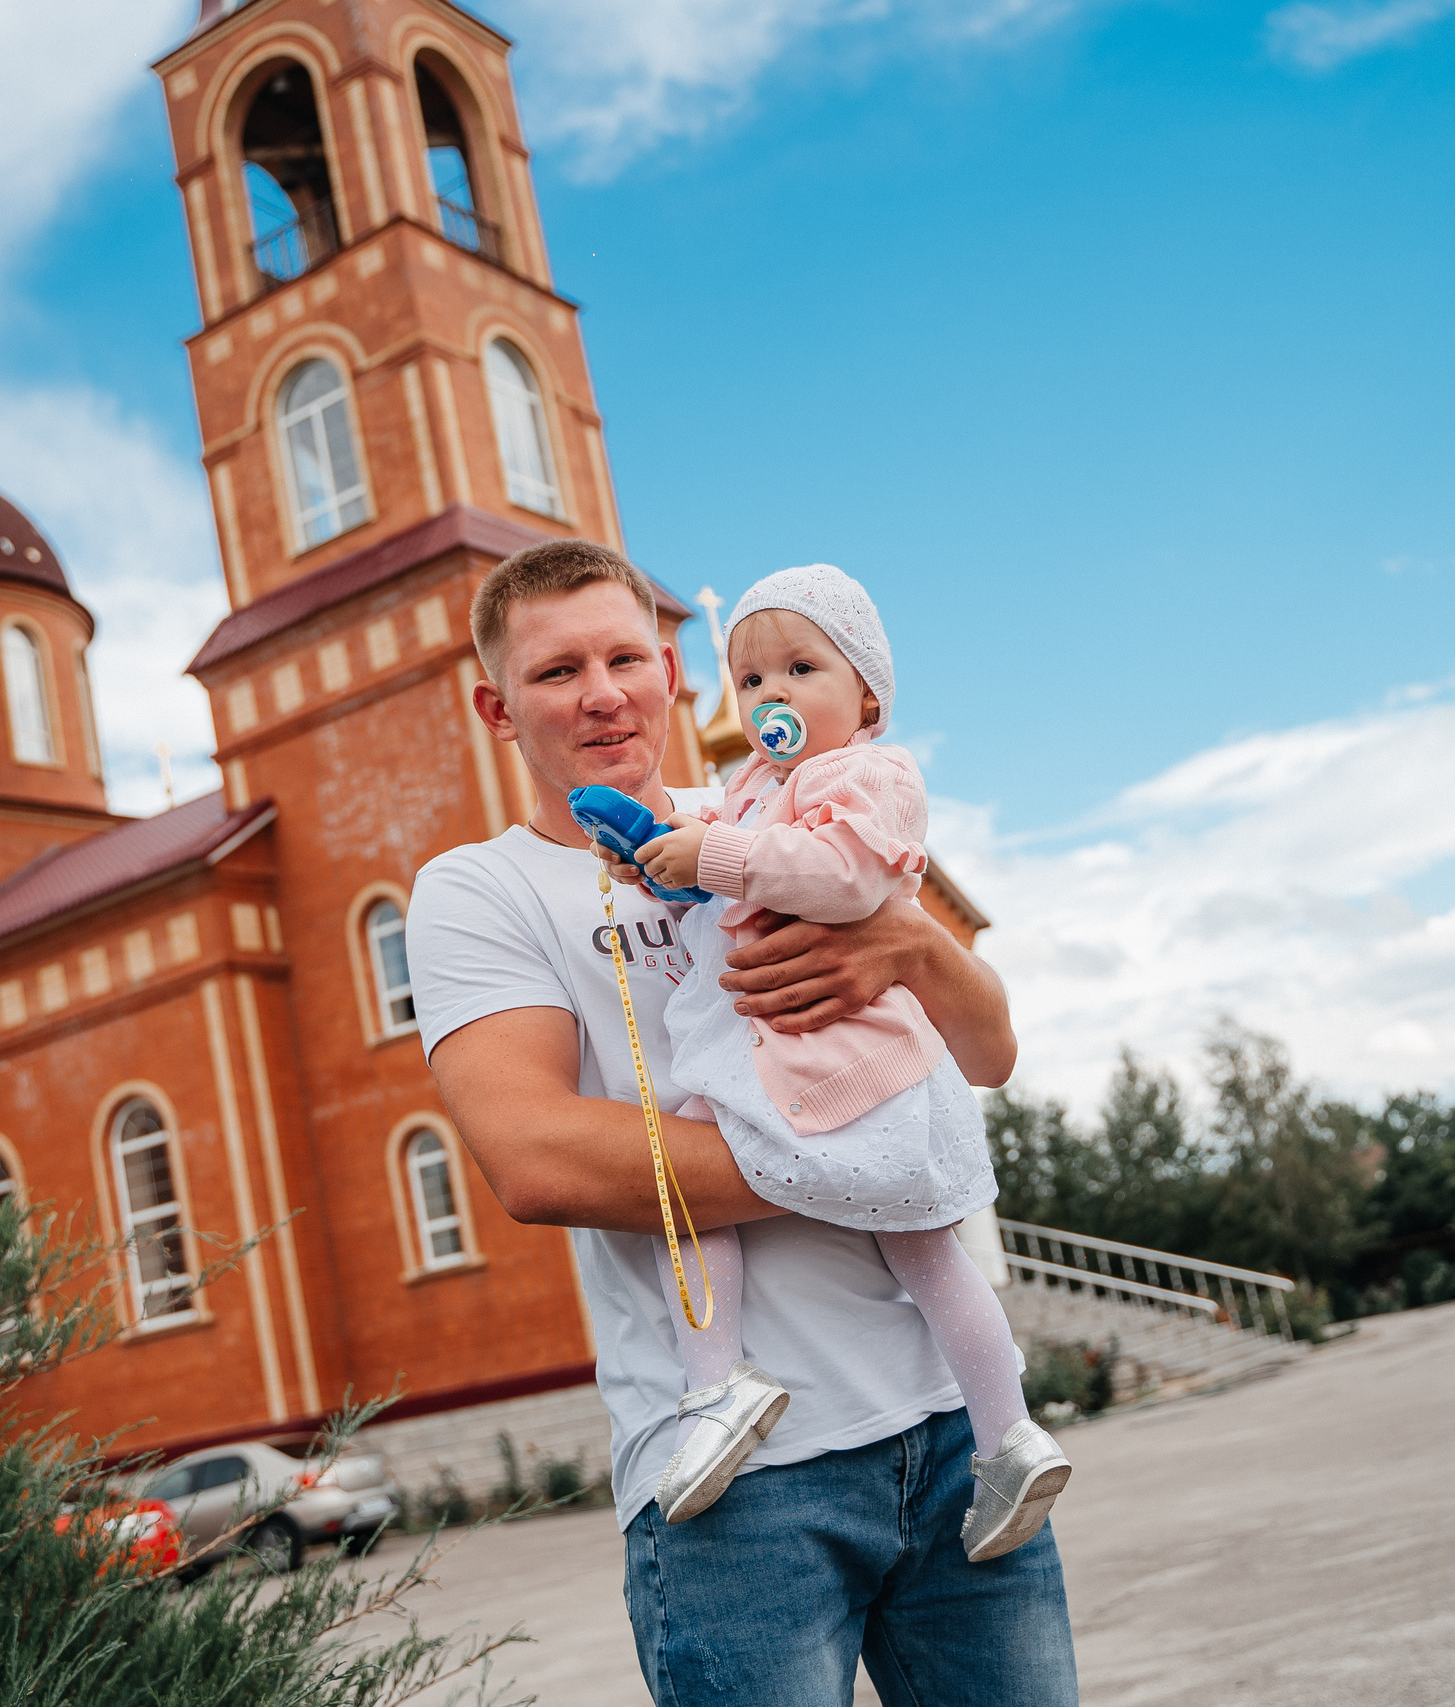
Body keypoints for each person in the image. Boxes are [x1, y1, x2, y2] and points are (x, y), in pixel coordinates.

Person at [407, 540, 1078, 1706]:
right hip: (740, 1486)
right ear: (495, 706)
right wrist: (877, 1158)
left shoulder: (783, 824)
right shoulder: (480, 892)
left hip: (951, 1437)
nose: (603, 691)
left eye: (625, 657)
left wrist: (915, 947)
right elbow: (539, 1160)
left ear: (671, 672)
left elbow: (985, 1053)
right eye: (558, 671)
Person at [615, 564, 1070, 1560]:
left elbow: (841, 872)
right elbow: (736, 885)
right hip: (822, 1071)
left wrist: (714, 856)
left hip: (839, 1070)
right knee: (920, 1257)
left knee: (705, 1198)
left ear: (866, 693)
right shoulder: (755, 790)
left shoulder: (866, 773)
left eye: (799, 668)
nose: (770, 696)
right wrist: (664, 858)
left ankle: (729, 1386)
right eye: (750, 680)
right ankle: (1003, 1437)